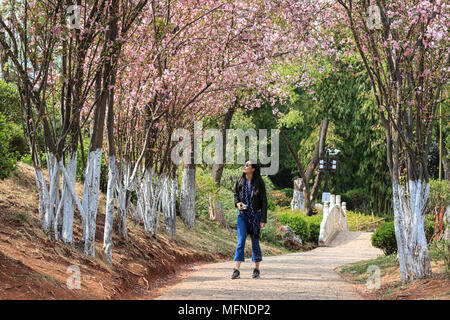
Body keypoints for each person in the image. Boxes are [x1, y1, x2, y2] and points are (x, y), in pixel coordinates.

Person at [232, 160, 267, 279]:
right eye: (244, 164)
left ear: (253, 169)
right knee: (241, 241)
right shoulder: (240, 181)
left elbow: (264, 202)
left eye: (247, 165)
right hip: (243, 215)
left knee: (255, 243)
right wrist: (238, 204)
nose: (244, 166)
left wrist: (263, 219)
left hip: (255, 217)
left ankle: (256, 269)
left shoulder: (259, 183)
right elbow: (236, 195)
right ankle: (236, 270)